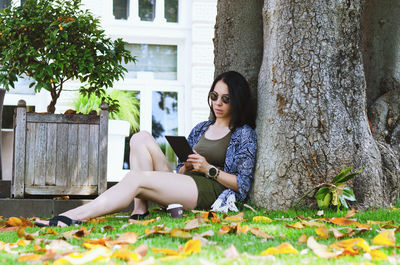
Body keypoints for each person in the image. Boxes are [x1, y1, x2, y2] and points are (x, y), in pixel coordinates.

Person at [35, 71, 257, 227]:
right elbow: (181, 174)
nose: (218, 103)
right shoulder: (202, 128)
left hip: (211, 192)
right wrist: (188, 166)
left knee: (135, 178)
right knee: (140, 137)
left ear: (236, 101)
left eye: (225, 99)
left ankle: (73, 216)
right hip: (187, 184)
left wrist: (209, 169)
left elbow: (242, 185)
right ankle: (139, 210)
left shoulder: (243, 133)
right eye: (214, 96)